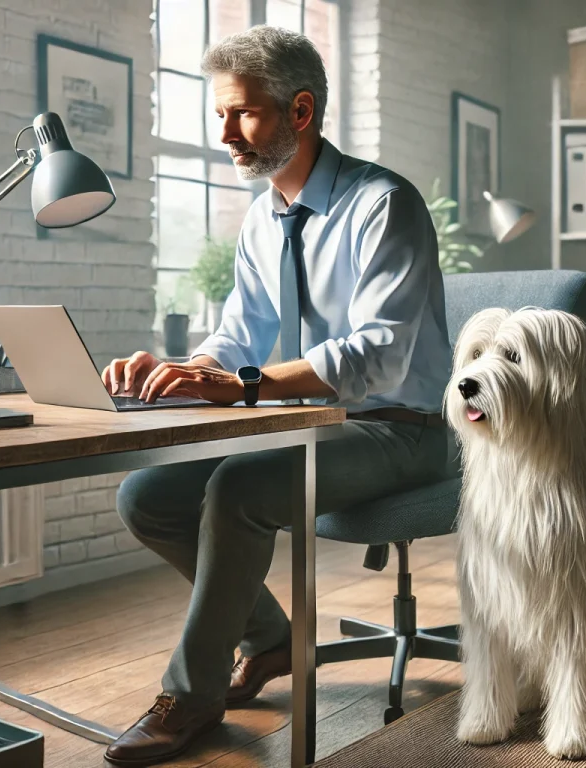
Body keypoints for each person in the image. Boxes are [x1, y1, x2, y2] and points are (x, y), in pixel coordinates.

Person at [102, 24, 455, 767]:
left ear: (300, 111)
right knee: (147, 496)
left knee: (241, 482)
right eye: (220, 114)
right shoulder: (263, 218)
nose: (225, 133)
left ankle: (189, 697)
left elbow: (380, 354)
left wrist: (246, 385)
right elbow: (238, 335)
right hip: (311, 426)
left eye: (243, 114)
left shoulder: (383, 204)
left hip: (403, 430)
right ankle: (271, 639)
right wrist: (179, 372)